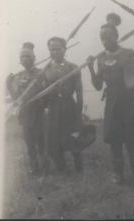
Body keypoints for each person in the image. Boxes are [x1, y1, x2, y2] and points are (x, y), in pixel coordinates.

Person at [87, 15, 134, 186]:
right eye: (102, 38)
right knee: (114, 143)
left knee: (131, 143)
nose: (105, 41)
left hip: (127, 103)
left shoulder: (128, 54)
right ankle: (118, 176)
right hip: (111, 105)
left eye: (108, 37)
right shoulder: (101, 59)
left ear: (116, 36)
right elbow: (98, 85)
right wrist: (91, 67)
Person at [42, 37, 84, 174]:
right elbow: (43, 92)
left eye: (58, 49)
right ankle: (62, 168)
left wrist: (78, 114)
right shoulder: (45, 70)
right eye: (51, 49)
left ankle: (79, 168)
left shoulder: (73, 67)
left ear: (65, 49)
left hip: (69, 106)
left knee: (73, 137)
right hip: (53, 108)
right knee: (53, 140)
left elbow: (79, 93)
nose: (54, 52)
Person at [6, 42, 45, 175]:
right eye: (22, 57)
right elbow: (16, 98)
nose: (24, 59)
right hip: (25, 114)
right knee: (29, 142)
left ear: (33, 57)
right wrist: (9, 84)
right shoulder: (18, 76)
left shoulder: (41, 73)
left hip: (38, 112)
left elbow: (42, 93)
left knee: (41, 141)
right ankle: (34, 168)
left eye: (27, 56)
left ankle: (45, 168)